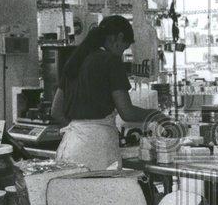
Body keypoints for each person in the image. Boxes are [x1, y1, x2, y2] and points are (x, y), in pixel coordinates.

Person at [51, 15, 165, 170]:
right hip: (97, 150)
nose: (121, 54)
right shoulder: (111, 61)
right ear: (118, 37)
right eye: (124, 48)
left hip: (70, 147)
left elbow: (56, 111)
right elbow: (127, 112)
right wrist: (156, 115)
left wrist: (81, 129)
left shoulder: (76, 59)